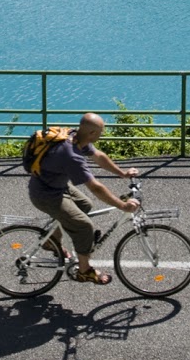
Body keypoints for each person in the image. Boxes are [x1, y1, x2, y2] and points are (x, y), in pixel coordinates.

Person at [28, 111, 138, 285]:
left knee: (85, 205)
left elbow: (99, 157)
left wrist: (122, 173)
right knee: (85, 226)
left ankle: (52, 239)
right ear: (92, 133)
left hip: (55, 185)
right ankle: (84, 271)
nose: (102, 134)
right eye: (101, 131)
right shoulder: (71, 155)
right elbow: (95, 187)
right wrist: (122, 206)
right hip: (45, 195)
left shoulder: (77, 137)